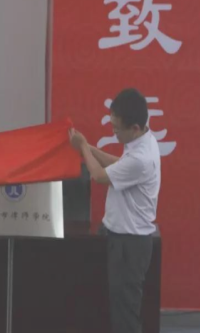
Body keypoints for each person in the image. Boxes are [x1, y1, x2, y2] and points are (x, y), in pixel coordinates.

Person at [69, 88, 160, 333]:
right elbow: (119, 164)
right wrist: (87, 148)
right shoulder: (143, 140)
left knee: (125, 314)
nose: (114, 132)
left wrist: (83, 148)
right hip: (120, 239)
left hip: (129, 245)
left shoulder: (141, 158)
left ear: (135, 128)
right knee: (113, 306)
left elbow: (99, 176)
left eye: (117, 129)